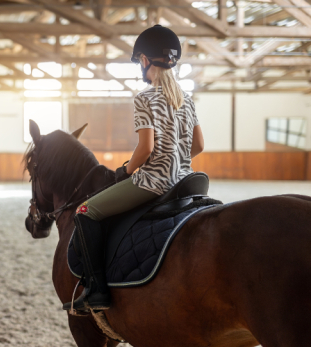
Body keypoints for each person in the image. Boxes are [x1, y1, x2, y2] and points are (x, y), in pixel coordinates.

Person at [63, 25, 205, 313]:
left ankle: (97, 290)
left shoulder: (145, 98)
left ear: (144, 60)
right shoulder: (187, 100)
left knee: (85, 212)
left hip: (152, 182)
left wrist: (127, 171)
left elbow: (146, 149)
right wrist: (176, 159)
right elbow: (200, 145)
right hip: (185, 181)